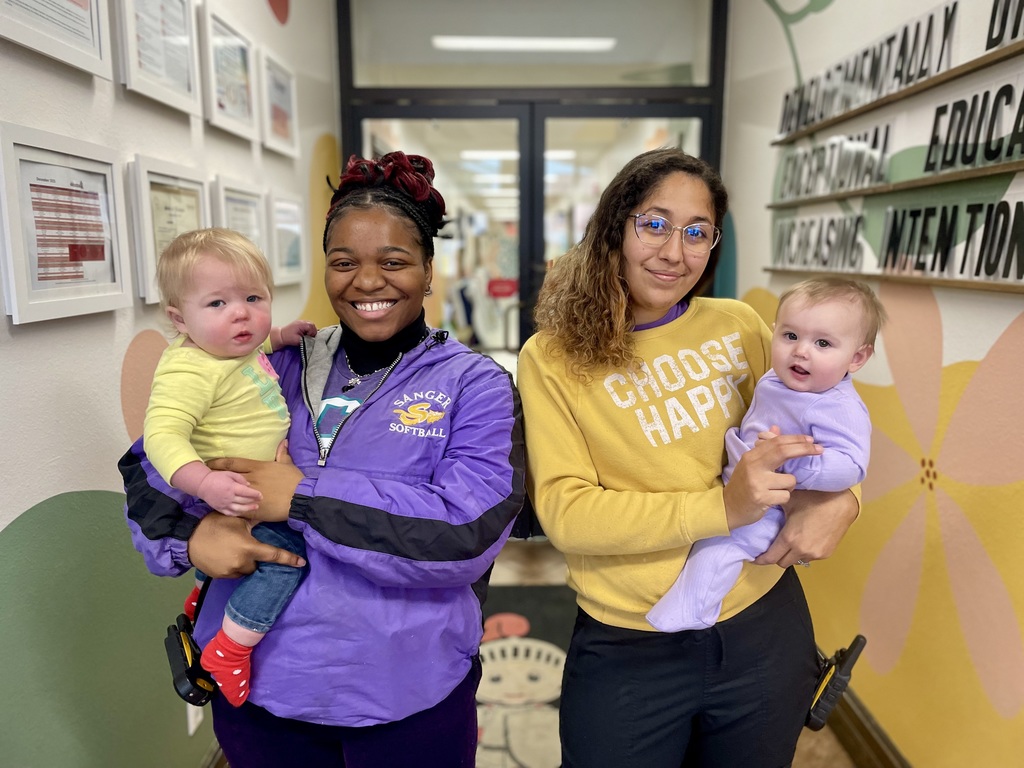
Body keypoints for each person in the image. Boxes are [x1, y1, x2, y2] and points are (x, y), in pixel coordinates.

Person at [120, 151, 525, 768]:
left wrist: (301, 496)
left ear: (428, 270)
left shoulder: (476, 385)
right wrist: (190, 539)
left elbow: (465, 533)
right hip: (261, 691)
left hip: (407, 692)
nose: (367, 281)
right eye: (344, 262)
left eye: (394, 261)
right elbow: (149, 469)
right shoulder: (268, 363)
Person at [516, 147, 861, 768]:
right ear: (615, 228)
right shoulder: (553, 357)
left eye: (697, 232)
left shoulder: (740, 325)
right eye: (654, 224)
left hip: (763, 620)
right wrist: (723, 508)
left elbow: (828, 414)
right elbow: (567, 513)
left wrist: (846, 499)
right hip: (631, 641)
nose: (675, 252)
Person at [647, 276, 885, 633]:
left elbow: (852, 465)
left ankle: (690, 611)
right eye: (790, 336)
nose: (801, 351)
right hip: (742, 481)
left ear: (857, 357)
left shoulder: (836, 406)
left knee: (720, 550)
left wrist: (794, 466)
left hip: (773, 502)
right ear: (774, 332)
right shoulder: (778, 378)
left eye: (822, 343)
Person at [145, 227, 316, 705]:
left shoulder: (229, 346)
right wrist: (205, 483)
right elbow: (161, 435)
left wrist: (280, 336)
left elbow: (257, 349)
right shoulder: (190, 368)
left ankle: (200, 596)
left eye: (253, 298)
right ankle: (231, 650)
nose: (241, 313)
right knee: (284, 562)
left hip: (251, 490)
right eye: (217, 303)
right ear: (180, 319)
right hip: (236, 495)